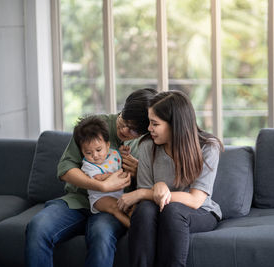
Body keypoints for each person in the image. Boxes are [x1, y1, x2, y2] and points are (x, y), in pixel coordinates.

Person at [25, 88, 157, 267]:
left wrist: (138, 173)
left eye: (134, 130)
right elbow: (65, 168)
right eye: (124, 120)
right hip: (77, 201)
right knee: (38, 227)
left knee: (101, 236)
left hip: (112, 206)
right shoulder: (94, 126)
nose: (125, 129)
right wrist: (99, 186)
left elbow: (151, 187)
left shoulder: (149, 142)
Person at [117, 90, 223, 267]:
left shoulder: (208, 147)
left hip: (198, 211)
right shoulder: (147, 145)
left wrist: (145, 192)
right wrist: (153, 189)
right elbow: (146, 201)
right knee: (144, 211)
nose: (149, 128)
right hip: (157, 209)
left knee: (172, 211)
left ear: (175, 124)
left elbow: (196, 200)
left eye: (155, 124)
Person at [73, 115, 131, 228]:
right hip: (100, 198)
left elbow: (119, 161)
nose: (95, 155)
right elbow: (98, 178)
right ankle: (133, 227)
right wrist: (115, 175)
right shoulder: (87, 165)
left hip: (119, 194)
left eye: (98, 150)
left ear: (108, 145)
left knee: (131, 207)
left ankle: (144, 228)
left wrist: (123, 153)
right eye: (88, 153)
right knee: (116, 208)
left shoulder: (113, 154)